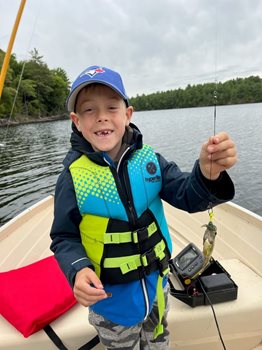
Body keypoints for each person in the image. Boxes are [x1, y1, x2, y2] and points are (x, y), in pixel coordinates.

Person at [50, 65, 237, 349]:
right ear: (76, 121)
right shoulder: (72, 177)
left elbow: (188, 195)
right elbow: (64, 237)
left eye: (111, 107)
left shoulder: (151, 162)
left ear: (127, 115)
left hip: (158, 290)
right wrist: (78, 269)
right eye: (89, 110)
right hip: (111, 302)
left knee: (159, 343)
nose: (101, 116)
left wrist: (208, 173)